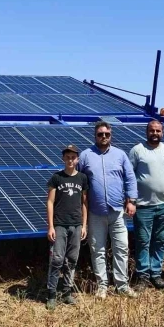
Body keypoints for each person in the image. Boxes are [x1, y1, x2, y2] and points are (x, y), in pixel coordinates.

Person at [78, 121, 138, 299]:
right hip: (95, 212)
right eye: (100, 134)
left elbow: (130, 178)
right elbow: (79, 180)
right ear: (95, 135)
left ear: (111, 135)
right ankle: (102, 286)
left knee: (121, 248)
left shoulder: (120, 155)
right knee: (98, 250)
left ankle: (122, 285)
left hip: (117, 210)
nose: (103, 137)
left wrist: (132, 200)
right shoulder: (85, 156)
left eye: (107, 134)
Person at [128, 120, 164, 291]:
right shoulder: (137, 150)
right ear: (146, 131)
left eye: (158, 131)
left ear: (162, 133)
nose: (155, 133)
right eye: (152, 130)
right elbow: (129, 176)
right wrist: (130, 200)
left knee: (160, 241)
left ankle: (156, 274)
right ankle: (142, 275)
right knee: (143, 241)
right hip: (143, 206)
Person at [45, 144, 89, 310]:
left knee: (72, 260)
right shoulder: (57, 178)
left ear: (77, 159)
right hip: (60, 225)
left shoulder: (82, 178)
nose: (70, 160)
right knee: (56, 260)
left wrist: (84, 225)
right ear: (63, 158)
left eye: (73, 157)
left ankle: (66, 292)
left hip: (77, 225)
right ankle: (51, 293)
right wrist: (51, 226)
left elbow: (85, 203)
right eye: (67, 157)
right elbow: (50, 202)